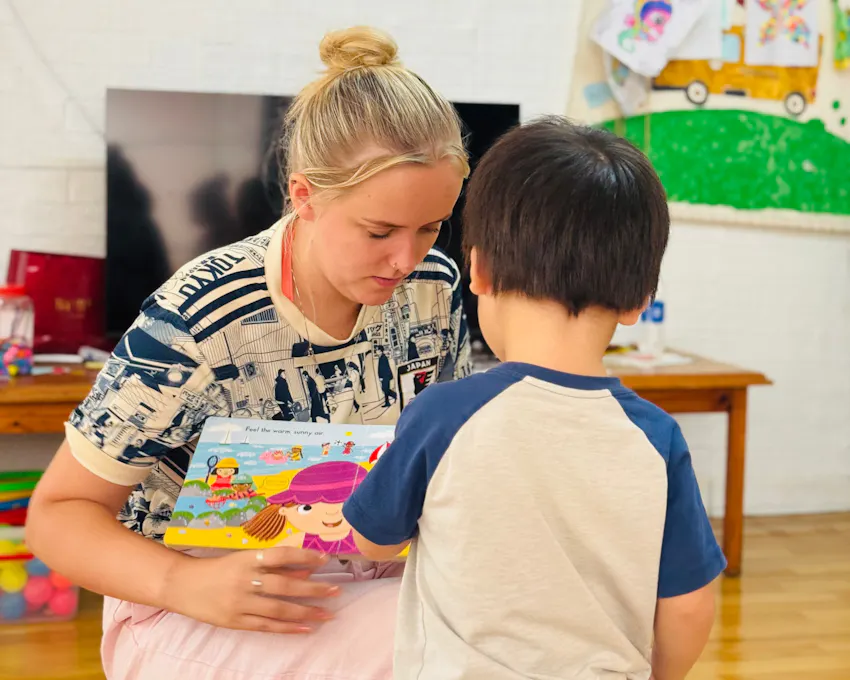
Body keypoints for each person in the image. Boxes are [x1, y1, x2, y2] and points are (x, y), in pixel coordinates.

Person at [26, 25, 470, 680]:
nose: (407, 259)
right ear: (305, 197)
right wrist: (185, 585)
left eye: (431, 227)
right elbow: (57, 518)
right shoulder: (195, 322)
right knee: (438, 654)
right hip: (191, 605)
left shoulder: (433, 287)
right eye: (379, 231)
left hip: (373, 579)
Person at [344, 117, 726, 680]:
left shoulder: (445, 414)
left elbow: (372, 544)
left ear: (479, 269)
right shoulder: (656, 437)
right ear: (640, 299)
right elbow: (690, 603)